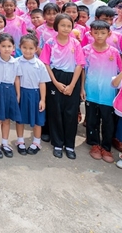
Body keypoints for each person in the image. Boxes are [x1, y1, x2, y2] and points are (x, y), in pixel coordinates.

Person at [39, 13, 86, 159]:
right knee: (56, 112)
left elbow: (80, 65)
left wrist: (72, 85)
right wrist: (55, 82)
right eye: (63, 25)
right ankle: (58, 143)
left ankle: (70, 145)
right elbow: (45, 63)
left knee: (71, 113)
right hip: (55, 77)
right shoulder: (50, 43)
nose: (66, 28)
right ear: (56, 26)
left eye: (69, 26)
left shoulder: (76, 43)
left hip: (72, 77)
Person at [81, 21, 122, 163]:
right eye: (96, 32)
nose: (99, 36)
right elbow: (82, 71)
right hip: (91, 92)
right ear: (90, 33)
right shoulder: (86, 50)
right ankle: (94, 144)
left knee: (108, 121)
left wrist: (118, 92)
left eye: (103, 33)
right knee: (91, 119)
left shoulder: (114, 52)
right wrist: (82, 88)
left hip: (108, 93)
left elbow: (119, 73)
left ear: (109, 34)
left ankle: (106, 146)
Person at [0, 33, 21, 159]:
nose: (6, 48)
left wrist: (18, 94)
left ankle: (5, 143)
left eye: (9, 46)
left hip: (10, 90)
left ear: (13, 47)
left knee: (7, 120)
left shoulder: (15, 62)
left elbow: (17, 79)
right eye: (3, 46)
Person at [15, 35, 51, 155]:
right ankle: (20, 141)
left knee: (37, 120)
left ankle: (36, 142)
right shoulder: (17, 62)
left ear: (36, 49)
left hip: (35, 94)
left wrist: (43, 100)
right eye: (24, 47)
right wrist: (18, 95)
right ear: (20, 47)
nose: (27, 51)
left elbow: (42, 83)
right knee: (20, 119)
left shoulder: (39, 64)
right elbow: (16, 80)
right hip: (22, 93)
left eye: (31, 48)